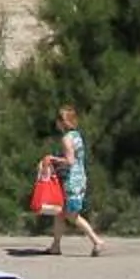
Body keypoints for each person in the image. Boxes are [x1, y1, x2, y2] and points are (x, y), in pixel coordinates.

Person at [44, 105, 107, 256]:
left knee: (71, 215)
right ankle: (55, 246)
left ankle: (96, 240)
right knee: (59, 212)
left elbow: (69, 161)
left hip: (72, 180)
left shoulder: (67, 139)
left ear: (61, 122)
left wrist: (52, 159)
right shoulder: (77, 136)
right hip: (79, 177)